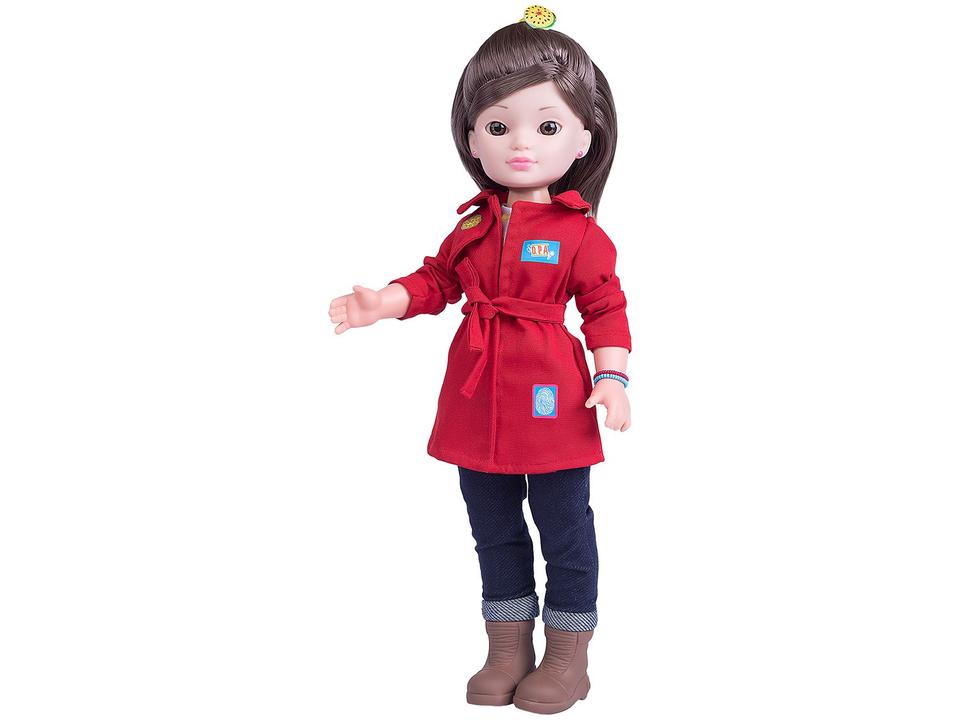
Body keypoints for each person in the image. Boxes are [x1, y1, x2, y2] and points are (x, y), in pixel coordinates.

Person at [328, 8, 632, 714]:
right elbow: (438, 279)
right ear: (471, 136)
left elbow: (605, 307)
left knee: (564, 527)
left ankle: (568, 654)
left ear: (585, 137)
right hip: (476, 399)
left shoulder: (581, 235)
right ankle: (506, 646)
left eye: (547, 126)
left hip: (552, 400)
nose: (521, 142)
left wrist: (612, 377)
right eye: (498, 126)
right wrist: (386, 301)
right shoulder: (472, 223)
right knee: (492, 529)